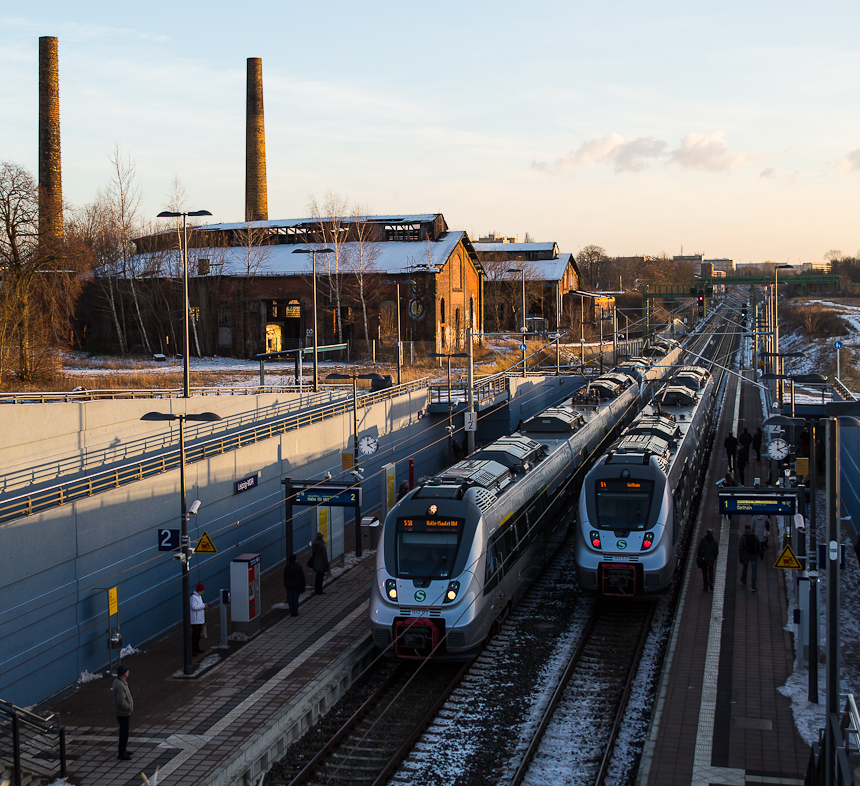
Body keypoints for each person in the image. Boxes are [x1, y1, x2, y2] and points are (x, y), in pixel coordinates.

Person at [113, 664, 133, 761]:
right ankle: (122, 752)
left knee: (124, 732)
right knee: (124, 733)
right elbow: (120, 701)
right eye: (127, 671)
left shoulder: (120, 682)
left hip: (124, 713)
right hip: (123, 713)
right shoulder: (120, 684)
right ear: (124, 673)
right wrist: (128, 707)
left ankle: (123, 750)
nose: (128, 673)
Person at [739, 523, 760, 591]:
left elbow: (740, 548)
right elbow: (758, 545)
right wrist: (759, 553)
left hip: (746, 556)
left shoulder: (743, 537)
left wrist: (740, 557)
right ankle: (753, 586)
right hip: (754, 556)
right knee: (754, 571)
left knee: (745, 568)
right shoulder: (755, 536)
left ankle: (744, 580)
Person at [190, 583, 210, 655]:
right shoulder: (193, 597)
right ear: (199, 591)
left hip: (199, 619)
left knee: (198, 635)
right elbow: (194, 607)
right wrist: (203, 605)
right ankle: (192, 649)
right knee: (195, 635)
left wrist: (204, 607)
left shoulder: (198, 597)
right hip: (195, 619)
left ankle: (196, 648)